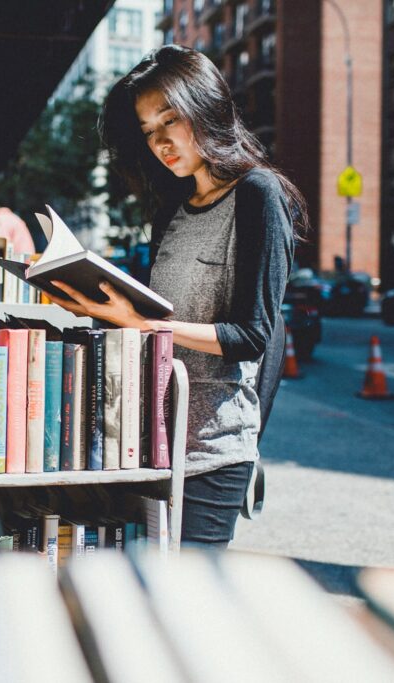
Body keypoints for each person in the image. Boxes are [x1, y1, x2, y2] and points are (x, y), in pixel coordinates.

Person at [43, 46, 307, 549]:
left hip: (213, 451)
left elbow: (251, 336)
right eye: (147, 130)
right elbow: (158, 315)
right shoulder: (172, 209)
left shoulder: (258, 194)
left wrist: (141, 324)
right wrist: (97, 308)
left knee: (188, 602)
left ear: (205, 108)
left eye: (170, 119)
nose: (160, 141)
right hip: (147, 438)